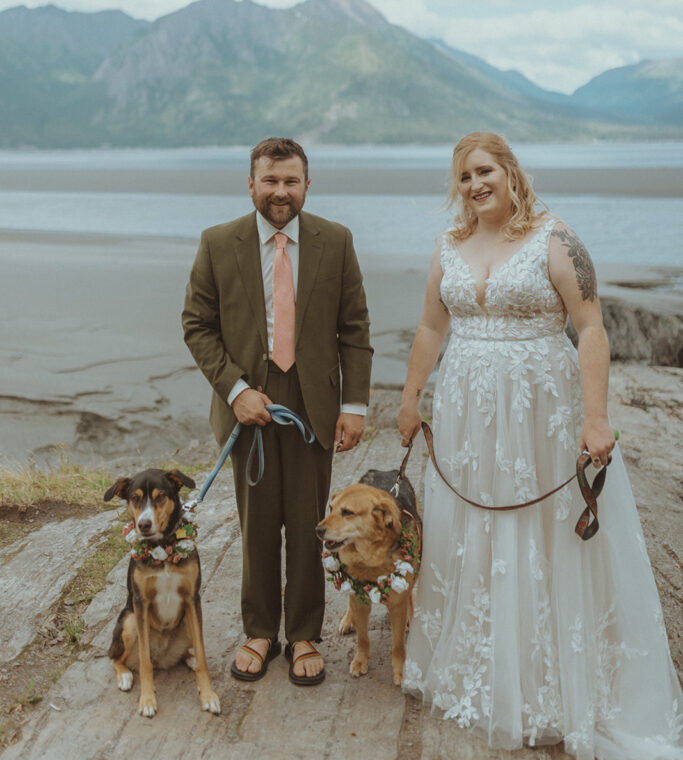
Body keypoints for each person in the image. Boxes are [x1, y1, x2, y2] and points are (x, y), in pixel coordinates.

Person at [397, 132, 682, 760]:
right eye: (464, 176)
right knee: (472, 530)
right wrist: (411, 396)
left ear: (509, 171)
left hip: (540, 418)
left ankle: (556, 683)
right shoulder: (449, 246)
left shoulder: (557, 240)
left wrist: (597, 418)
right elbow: (429, 325)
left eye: (484, 171)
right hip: (468, 415)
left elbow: (589, 329)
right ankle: (480, 667)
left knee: (544, 534)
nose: (475, 185)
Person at [183, 137, 372, 685]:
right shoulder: (218, 243)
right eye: (270, 180)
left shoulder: (335, 241)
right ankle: (260, 630)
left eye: (291, 181)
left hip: (314, 408)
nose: (281, 191)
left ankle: (305, 634)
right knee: (259, 526)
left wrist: (353, 406)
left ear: (307, 185)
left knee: (315, 524)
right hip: (247, 409)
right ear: (251, 184)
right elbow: (197, 325)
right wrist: (236, 390)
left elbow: (354, 329)